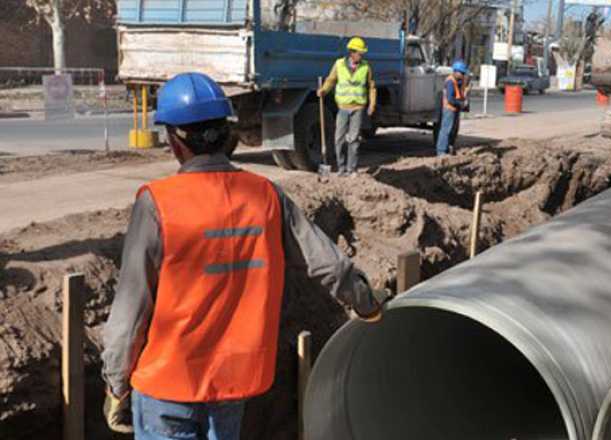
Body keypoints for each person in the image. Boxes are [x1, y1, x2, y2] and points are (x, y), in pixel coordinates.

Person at [100, 72, 389, 440]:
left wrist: (116, 385)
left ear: (175, 142)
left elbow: (130, 309)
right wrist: (367, 304)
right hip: (233, 381)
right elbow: (328, 264)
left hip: (168, 383)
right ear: (226, 133)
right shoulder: (266, 195)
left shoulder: (157, 204)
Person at [318, 36, 376, 176]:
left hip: (358, 108)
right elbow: (331, 80)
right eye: (359, 53)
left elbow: (372, 87)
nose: (361, 55)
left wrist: (372, 104)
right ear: (352, 52)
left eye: (362, 53)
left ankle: (352, 169)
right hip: (343, 108)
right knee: (339, 139)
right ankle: (341, 168)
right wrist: (324, 90)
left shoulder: (366, 67)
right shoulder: (339, 65)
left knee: (354, 139)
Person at [436, 60, 470, 156]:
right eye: (462, 73)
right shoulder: (450, 81)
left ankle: (449, 148)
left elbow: (461, 93)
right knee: (446, 130)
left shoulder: (459, 81)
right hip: (449, 109)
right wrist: (461, 104)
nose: (463, 75)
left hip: (455, 108)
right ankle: (441, 151)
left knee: (453, 130)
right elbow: (450, 99)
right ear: (456, 71)